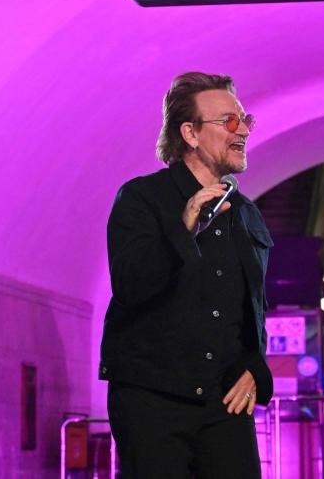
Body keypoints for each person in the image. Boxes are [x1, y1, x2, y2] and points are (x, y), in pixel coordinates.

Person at [99, 72, 273, 479]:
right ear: (190, 133)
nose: (243, 130)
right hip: (152, 400)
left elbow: (253, 308)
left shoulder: (246, 213)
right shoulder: (141, 198)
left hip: (225, 400)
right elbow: (130, 286)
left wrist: (256, 367)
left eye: (245, 119)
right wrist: (183, 229)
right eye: (230, 121)